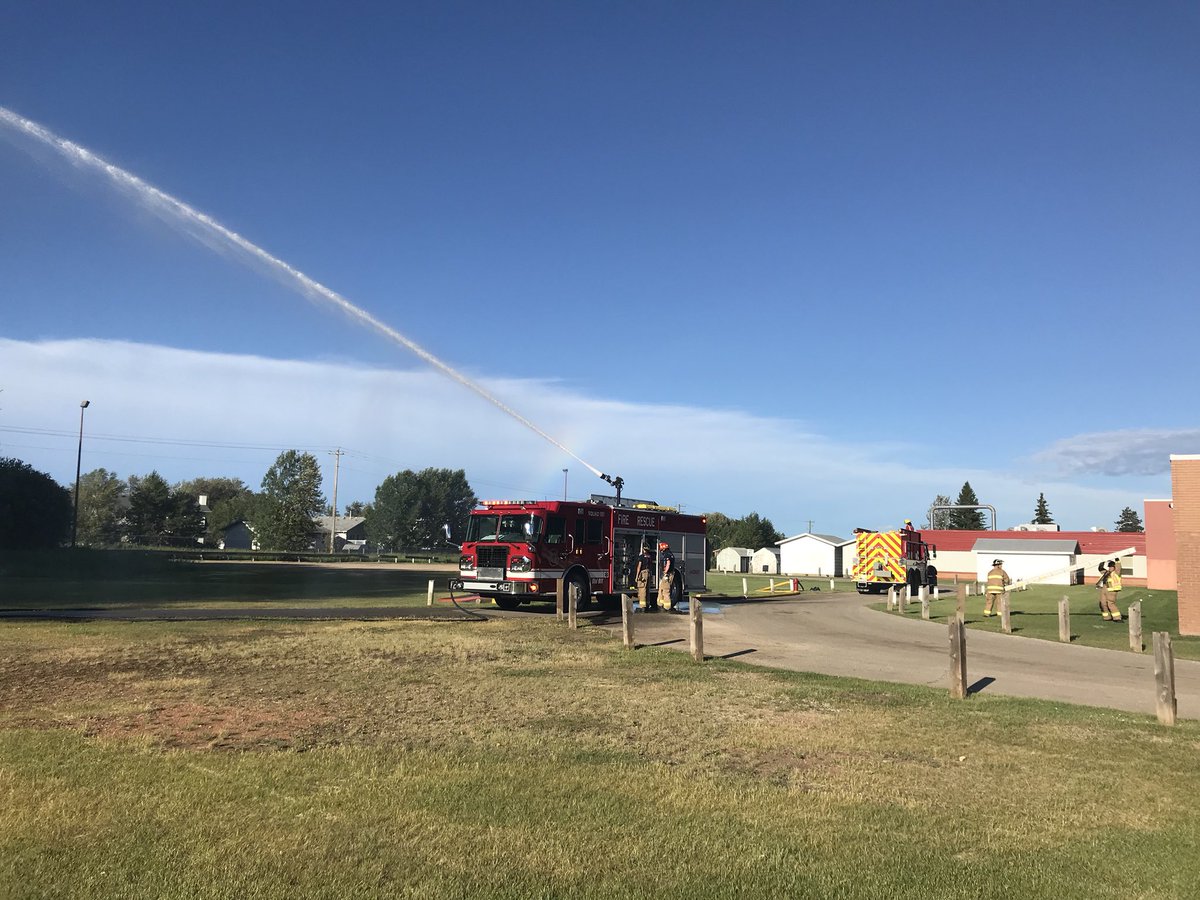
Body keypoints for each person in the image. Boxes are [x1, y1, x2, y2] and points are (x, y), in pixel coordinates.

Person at [658, 540, 681, 613]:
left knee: (665, 590)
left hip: (668, 574)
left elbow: (668, 563)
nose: (660, 550)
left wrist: (665, 571)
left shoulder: (667, 555)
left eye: (661, 548)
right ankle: (661, 604)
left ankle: (667, 607)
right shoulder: (670, 554)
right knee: (661, 589)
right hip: (669, 574)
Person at [634, 541, 657, 612]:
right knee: (647, 589)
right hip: (648, 573)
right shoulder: (650, 556)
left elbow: (639, 567)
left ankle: (642, 606)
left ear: (643, 549)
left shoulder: (641, 557)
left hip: (643, 573)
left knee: (642, 589)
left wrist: (637, 576)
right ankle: (647, 604)